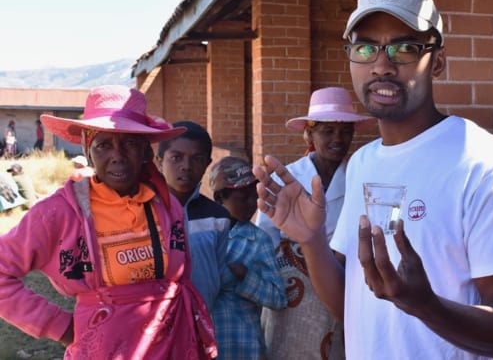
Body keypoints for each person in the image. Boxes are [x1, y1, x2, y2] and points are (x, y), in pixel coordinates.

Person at [252, 0, 493, 360]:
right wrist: (312, 240)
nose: (381, 66)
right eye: (366, 48)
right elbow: (350, 308)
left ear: (437, 62)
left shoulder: (486, 162)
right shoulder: (363, 163)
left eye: (404, 48)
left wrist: (425, 305)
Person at [0, 85, 217, 359]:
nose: (118, 155)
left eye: (129, 143)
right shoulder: (59, 213)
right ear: (88, 151)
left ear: (145, 152)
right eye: (104, 145)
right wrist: (61, 326)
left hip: (173, 346)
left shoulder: (164, 203)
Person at [255, 86, 372, 360]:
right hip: (294, 296)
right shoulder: (289, 178)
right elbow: (265, 239)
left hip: (342, 288)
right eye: (327, 131)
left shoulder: (360, 178)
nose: (337, 139)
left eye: (345, 131)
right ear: (309, 133)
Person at [209, 156, 287, 359]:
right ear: (219, 198)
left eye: (254, 195)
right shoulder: (202, 234)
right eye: (244, 198)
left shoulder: (258, 240)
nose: (253, 203)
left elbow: (278, 298)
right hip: (206, 344)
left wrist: (245, 276)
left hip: (244, 347)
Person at [156, 120, 232, 313]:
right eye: (176, 158)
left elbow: (218, 272)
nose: (186, 166)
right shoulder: (144, 212)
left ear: (207, 164)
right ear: (159, 161)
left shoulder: (218, 218)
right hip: (154, 326)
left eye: (197, 159)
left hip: (203, 322)